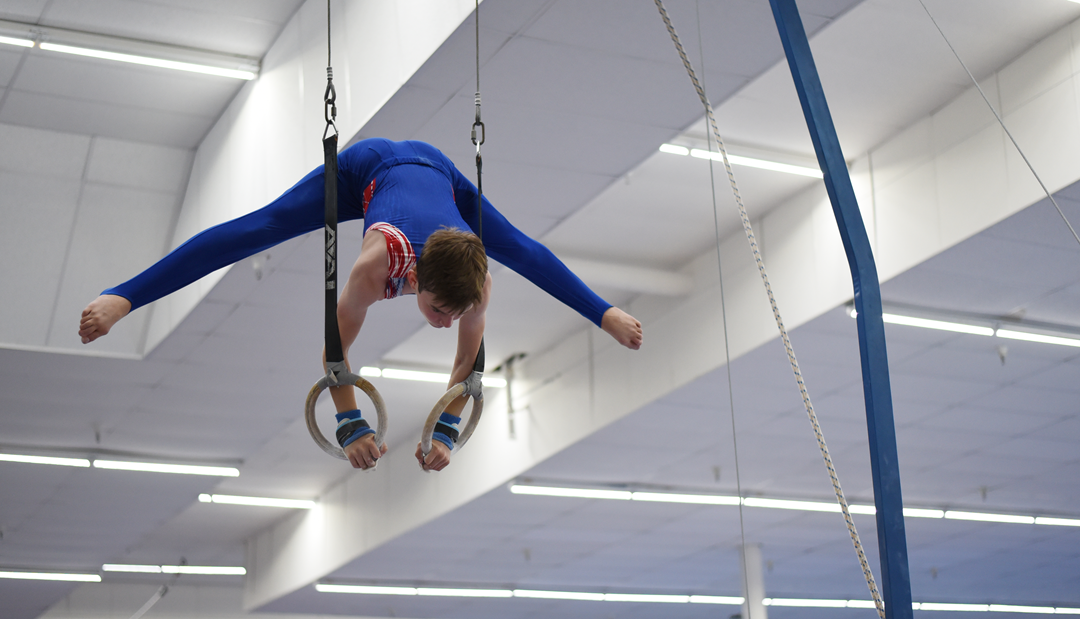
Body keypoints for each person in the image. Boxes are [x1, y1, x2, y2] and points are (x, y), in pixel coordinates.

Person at [79, 138, 643, 472]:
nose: (446, 323)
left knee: (518, 247)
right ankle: (125, 295)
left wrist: (445, 432)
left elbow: (468, 369)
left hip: (439, 170)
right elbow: (335, 347)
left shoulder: (476, 282)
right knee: (259, 228)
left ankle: (603, 309)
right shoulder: (378, 265)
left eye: (452, 314)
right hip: (365, 173)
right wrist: (350, 422)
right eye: (441, 311)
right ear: (416, 278)